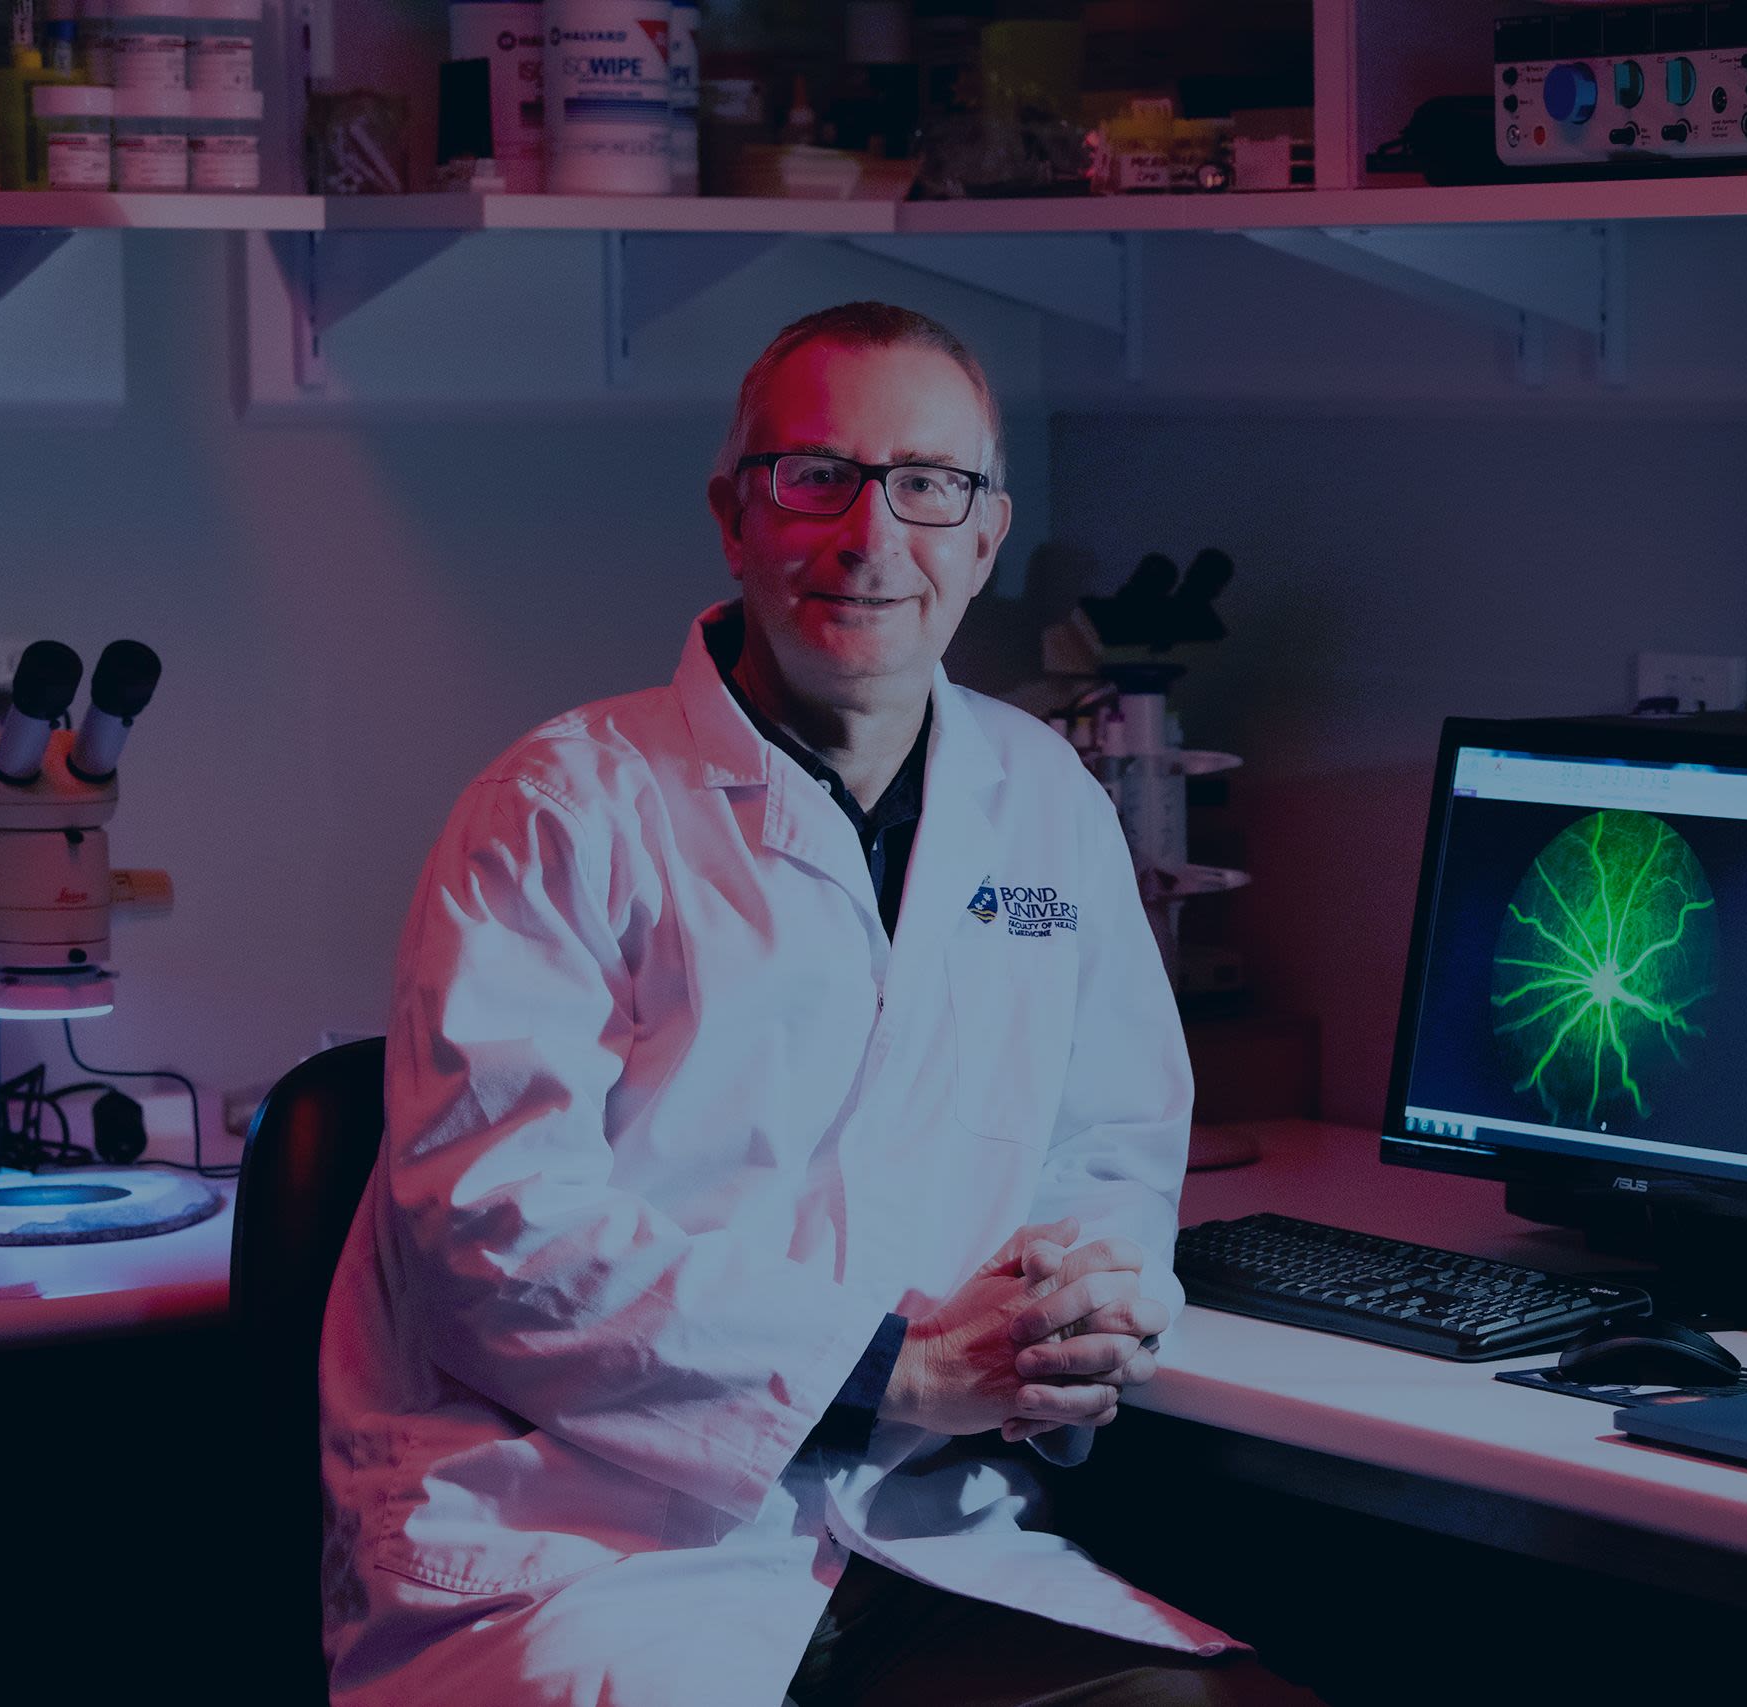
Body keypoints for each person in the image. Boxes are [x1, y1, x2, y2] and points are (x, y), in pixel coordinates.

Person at [317, 302, 1321, 1706]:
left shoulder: (1041, 800)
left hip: (922, 1541)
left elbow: (1108, 1145)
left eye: (926, 486)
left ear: (985, 535)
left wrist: (1084, 1311)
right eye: (815, 478)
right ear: (735, 517)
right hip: (587, 1552)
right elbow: (494, 1241)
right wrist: (886, 1375)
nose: (869, 535)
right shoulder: (559, 810)